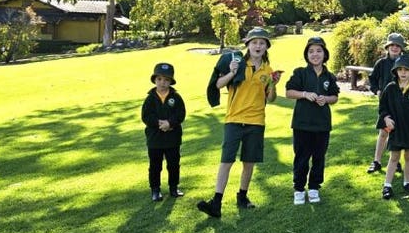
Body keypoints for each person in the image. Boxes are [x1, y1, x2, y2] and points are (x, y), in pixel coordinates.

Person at [197, 27, 281, 218]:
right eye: (254, 43)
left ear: (267, 47)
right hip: (234, 120)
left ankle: (242, 197)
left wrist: (274, 85)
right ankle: (216, 202)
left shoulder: (268, 70)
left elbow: (271, 99)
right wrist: (232, 73)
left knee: (248, 163)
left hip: (256, 121)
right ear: (248, 45)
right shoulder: (236, 62)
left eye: (262, 43)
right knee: (226, 161)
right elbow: (218, 84)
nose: (258, 46)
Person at [285, 36, 340, 205]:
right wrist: (304, 94)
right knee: (301, 157)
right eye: (311, 51)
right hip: (302, 124)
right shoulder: (300, 73)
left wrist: (326, 99)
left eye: (318, 51)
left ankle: (314, 187)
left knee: (319, 157)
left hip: (322, 125)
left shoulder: (329, 76)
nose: (315, 54)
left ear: (325, 54)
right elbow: (288, 92)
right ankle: (299, 189)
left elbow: (335, 97)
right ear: (306, 54)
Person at [377, 52, 409, 199]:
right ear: (395, 71)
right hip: (396, 130)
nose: (403, 72)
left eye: (406, 70)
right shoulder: (390, 88)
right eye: (400, 69)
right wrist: (386, 118)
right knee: (394, 157)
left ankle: (407, 183)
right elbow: (382, 107)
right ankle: (387, 186)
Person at [141, 61, 186, 202]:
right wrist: (159, 123)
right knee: (155, 166)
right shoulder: (150, 99)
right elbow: (146, 116)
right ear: (154, 80)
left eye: (166, 80)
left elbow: (181, 114)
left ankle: (173, 188)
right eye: (159, 79)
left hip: (172, 138)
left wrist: (170, 123)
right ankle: (155, 189)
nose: (162, 83)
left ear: (171, 82)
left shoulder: (176, 98)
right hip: (155, 139)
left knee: (173, 164)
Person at [366, 32, 407, 174]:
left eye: (398, 46)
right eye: (392, 45)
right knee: (384, 132)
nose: (395, 48)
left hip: (402, 104)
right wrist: (377, 91)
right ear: (388, 47)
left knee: (397, 133)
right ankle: (376, 161)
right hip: (386, 104)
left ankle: (395, 162)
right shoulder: (381, 63)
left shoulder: (405, 63)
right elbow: (372, 79)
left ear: (402, 48)